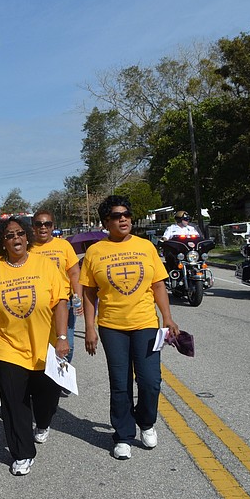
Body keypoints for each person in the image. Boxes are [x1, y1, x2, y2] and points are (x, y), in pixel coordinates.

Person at [81, 195, 180, 461]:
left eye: (126, 214)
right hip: (112, 326)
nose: (123, 219)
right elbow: (89, 293)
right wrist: (89, 327)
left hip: (146, 323)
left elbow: (158, 284)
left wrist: (167, 318)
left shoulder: (146, 247)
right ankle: (123, 435)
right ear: (105, 222)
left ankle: (146, 422)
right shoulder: (95, 252)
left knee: (150, 381)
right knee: (120, 383)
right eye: (116, 215)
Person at [0, 218, 69, 476]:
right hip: (7, 346)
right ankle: (22, 453)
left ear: (27, 238)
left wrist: (61, 337)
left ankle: (43, 423)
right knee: (14, 404)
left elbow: (60, 301)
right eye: (9, 235)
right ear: (2, 242)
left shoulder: (45, 265)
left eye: (20, 234)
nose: (15, 238)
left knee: (47, 397)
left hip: (43, 346)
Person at [30, 210, 83, 366]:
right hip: (39, 303)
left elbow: (74, 272)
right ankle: (47, 381)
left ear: (53, 226)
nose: (43, 227)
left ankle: (61, 375)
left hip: (63, 301)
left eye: (47, 224)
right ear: (33, 227)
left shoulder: (63, 245)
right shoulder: (29, 248)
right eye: (39, 224)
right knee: (43, 342)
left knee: (68, 343)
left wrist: (77, 297)